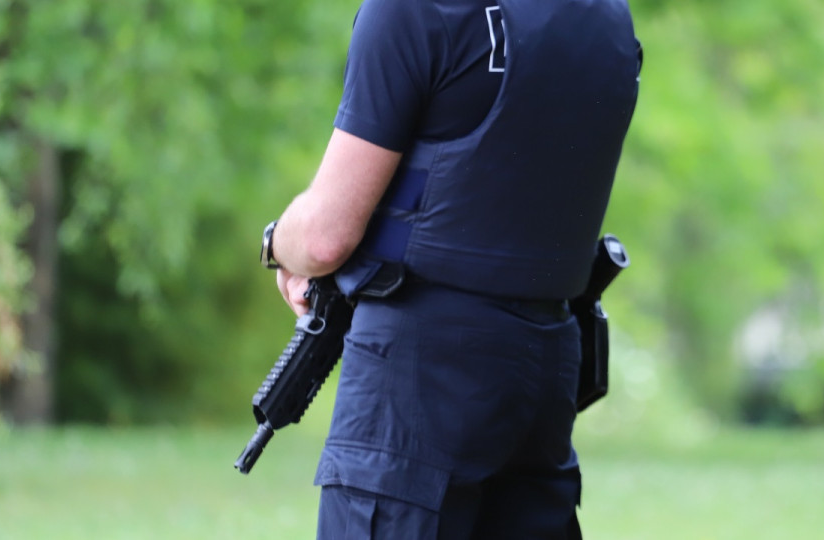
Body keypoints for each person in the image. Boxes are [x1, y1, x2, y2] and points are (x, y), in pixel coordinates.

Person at [261, 0, 641, 537]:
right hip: (547, 367)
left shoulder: (412, 10)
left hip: (419, 371)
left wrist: (278, 243)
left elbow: (325, 238)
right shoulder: (608, 18)